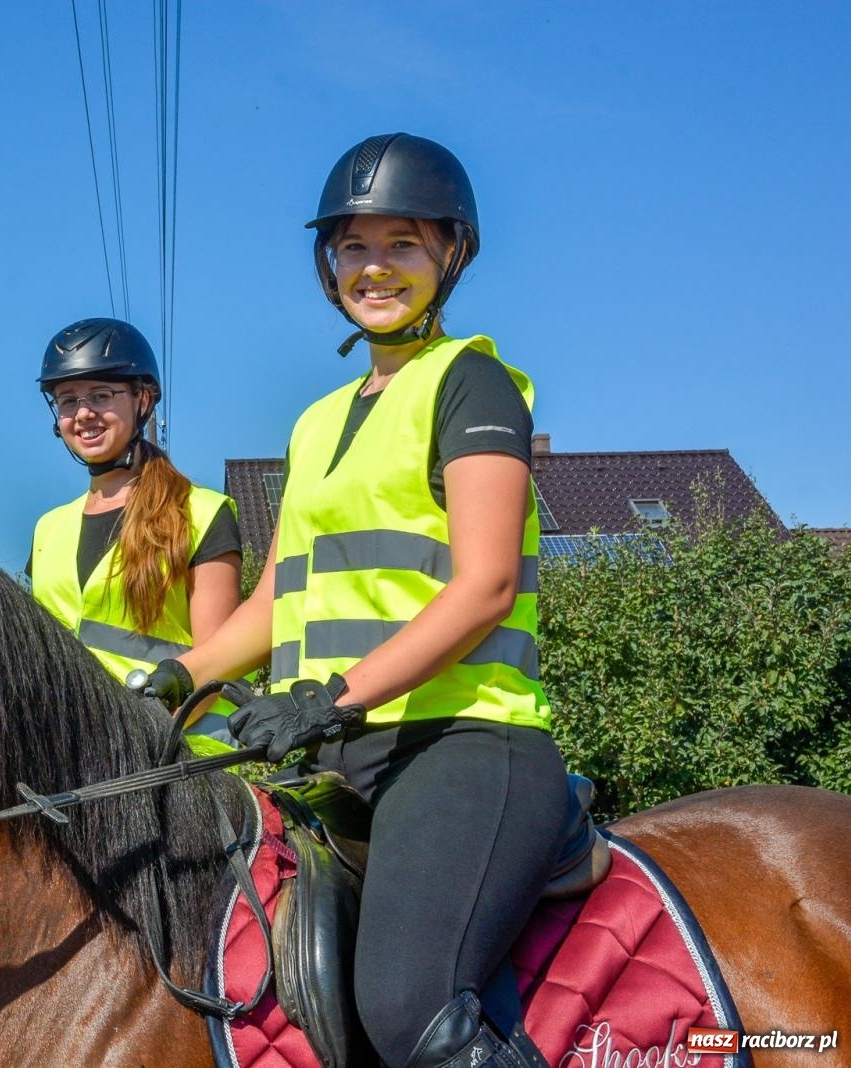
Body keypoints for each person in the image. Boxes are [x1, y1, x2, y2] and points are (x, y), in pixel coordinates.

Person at [142, 134, 566, 1068]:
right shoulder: (316, 420)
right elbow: (275, 603)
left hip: (464, 740)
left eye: (402, 245)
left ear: (451, 254)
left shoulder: (473, 383)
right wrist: (176, 679)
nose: (374, 268)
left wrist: (334, 696)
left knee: (409, 1009)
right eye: (353, 248)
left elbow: (486, 585)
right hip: (338, 760)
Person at [28, 317, 244, 752]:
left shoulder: (202, 512)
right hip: (76, 758)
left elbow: (221, 660)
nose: (83, 413)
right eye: (67, 400)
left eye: (101, 395)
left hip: (182, 756)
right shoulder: (48, 529)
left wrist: (129, 735)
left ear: (142, 399)